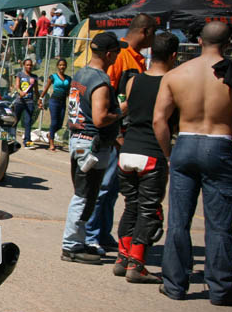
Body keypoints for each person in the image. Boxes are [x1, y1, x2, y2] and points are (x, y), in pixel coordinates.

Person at [153, 22, 232, 306]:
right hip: (219, 143)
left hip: (185, 144)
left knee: (178, 221)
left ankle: (174, 284)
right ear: (230, 44)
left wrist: (168, 154)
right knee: (219, 224)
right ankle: (221, 288)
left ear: (199, 41)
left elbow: (159, 120)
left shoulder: (176, 74)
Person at [85, 14, 157, 256]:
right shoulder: (121, 58)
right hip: (112, 133)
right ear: (145, 31)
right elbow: (107, 96)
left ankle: (103, 233)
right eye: (153, 33)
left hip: (126, 133)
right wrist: (114, 132)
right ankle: (91, 235)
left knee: (113, 189)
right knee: (103, 187)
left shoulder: (136, 58)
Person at [114, 32, 179, 283]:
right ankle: (137, 265)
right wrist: (169, 155)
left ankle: (122, 257)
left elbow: (128, 110)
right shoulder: (172, 82)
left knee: (131, 206)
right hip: (152, 152)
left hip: (128, 151)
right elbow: (162, 121)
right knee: (148, 210)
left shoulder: (134, 81)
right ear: (174, 55)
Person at [61, 32, 126, 264]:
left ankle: (76, 242)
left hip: (79, 140)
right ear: (109, 54)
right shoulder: (100, 81)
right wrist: (121, 110)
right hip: (91, 143)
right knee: (84, 195)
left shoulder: (81, 74)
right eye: (117, 52)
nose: (117, 56)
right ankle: (71, 246)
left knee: (85, 194)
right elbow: (99, 118)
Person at [38, 58, 71, 151]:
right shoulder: (53, 77)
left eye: (64, 65)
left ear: (66, 66)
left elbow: (69, 92)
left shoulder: (68, 78)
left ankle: (50, 134)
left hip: (63, 102)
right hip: (54, 101)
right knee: (54, 122)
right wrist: (40, 98)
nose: (62, 67)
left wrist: (72, 102)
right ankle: (51, 143)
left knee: (60, 125)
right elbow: (46, 88)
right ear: (57, 66)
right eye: (60, 65)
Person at [14, 58, 39, 147]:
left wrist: (39, 100)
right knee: (15, 120)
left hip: (30, 102)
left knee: (28, 121)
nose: (29, 66)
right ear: (24, 66)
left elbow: (36, 91)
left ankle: (27, 141)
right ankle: (11, 138)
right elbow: (16, 86)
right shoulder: (19, 74)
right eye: (27, 65)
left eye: (30, 65)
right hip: (19, 101)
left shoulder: (34, 77)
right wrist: (20, 92)